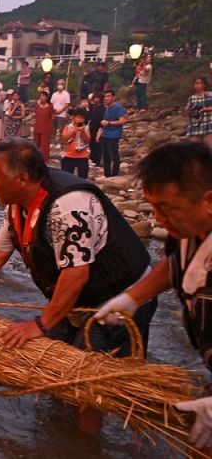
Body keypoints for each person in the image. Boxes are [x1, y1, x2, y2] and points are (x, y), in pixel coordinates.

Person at [0, 137, 157, 433]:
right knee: (60, 370)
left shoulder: (67, 206)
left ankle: (84, 446)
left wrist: (41, 324)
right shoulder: (18, 205)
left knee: (89, 385)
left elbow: (76, 274)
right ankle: (62, 432)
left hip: (121, 298)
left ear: (23, 178)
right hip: (81, 298)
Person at [92, 142, 212, 450]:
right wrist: (133, 298)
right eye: (153, 207)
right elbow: (175, 265)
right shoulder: (187, 232)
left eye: (167, 208)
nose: (158, 219)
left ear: (208, 201)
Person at [96, 89, 126, 177]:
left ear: (113, 97)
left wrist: (109, 123)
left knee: (114, 155)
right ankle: (107, 174)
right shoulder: (107, 108)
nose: (106, 98)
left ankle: (115, 174)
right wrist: (99, 133)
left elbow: (122, 121)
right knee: (105, 156)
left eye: (109, 96)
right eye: (105, 96)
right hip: (105, 134)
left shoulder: (117, 107)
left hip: (114, 135)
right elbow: (104, 121)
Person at [61, 108, 91, 178]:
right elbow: (64, 139)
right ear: (73, 117)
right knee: (66, 177)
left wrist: (83, 132)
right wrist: (72, 132)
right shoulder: (68, 127)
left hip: (82, 156)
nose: (80, 119)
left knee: (83, 177)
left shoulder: (86, 128)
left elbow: (88, 141)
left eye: (82, 118)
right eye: (78, 117)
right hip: (69, 155)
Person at [187, 76, 212, 148]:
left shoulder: (210, 95)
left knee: (209, 149)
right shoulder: (191, 98)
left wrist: (205, 109)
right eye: (195, 84)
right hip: (195, 127)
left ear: (204, 85)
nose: (196, 86)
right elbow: (188, 112)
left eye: (199, 83)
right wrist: (191, 111)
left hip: (208, 126)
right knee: (194, 151)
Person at [32, 91, 54, 160]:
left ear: (47, 97)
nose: (42, 98)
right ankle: (35, 158)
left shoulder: (50, 107)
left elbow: (52, 117)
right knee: (36, 144)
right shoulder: (37, 106)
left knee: (44, 145)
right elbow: (35, 115)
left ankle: (44, 159)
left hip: (46, 128)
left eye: (44, 96)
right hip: (37, 127)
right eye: (41, 96)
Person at [87, 93, 104, 167]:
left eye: (97, 98)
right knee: (92, 144)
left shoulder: (103, 108)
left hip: (98, 128)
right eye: (94, 98)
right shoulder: (93, 107)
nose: (95, 99)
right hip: (92, 127)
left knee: (98, 145)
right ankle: (92, 159)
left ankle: (97, 161)